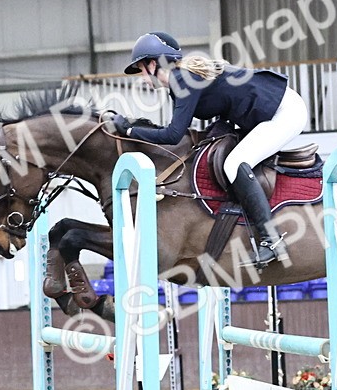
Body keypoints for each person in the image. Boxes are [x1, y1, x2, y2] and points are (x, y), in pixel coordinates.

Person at [111, 32, 309, 268]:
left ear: (153, 64)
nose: (141, 77)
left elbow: (173, 135)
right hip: (269, 112)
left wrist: (131, 132)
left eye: (141, 69)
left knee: (234, 164)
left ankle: (272, 241)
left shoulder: (182, 79)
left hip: (285, 112)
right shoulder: (180, 81)